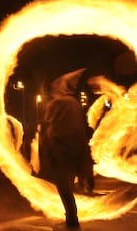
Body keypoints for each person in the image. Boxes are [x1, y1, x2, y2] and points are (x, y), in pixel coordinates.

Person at [35, 68, 96, 229]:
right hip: (72, 151)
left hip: (61, 153)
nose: (54, 88)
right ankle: (71, 217)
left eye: (57, 86)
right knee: (65, 186)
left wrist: (48, 139)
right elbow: (78, 130)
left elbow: (51, 125)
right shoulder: (73, 103)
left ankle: (72, 219)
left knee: (63, 187)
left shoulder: (60, 103)